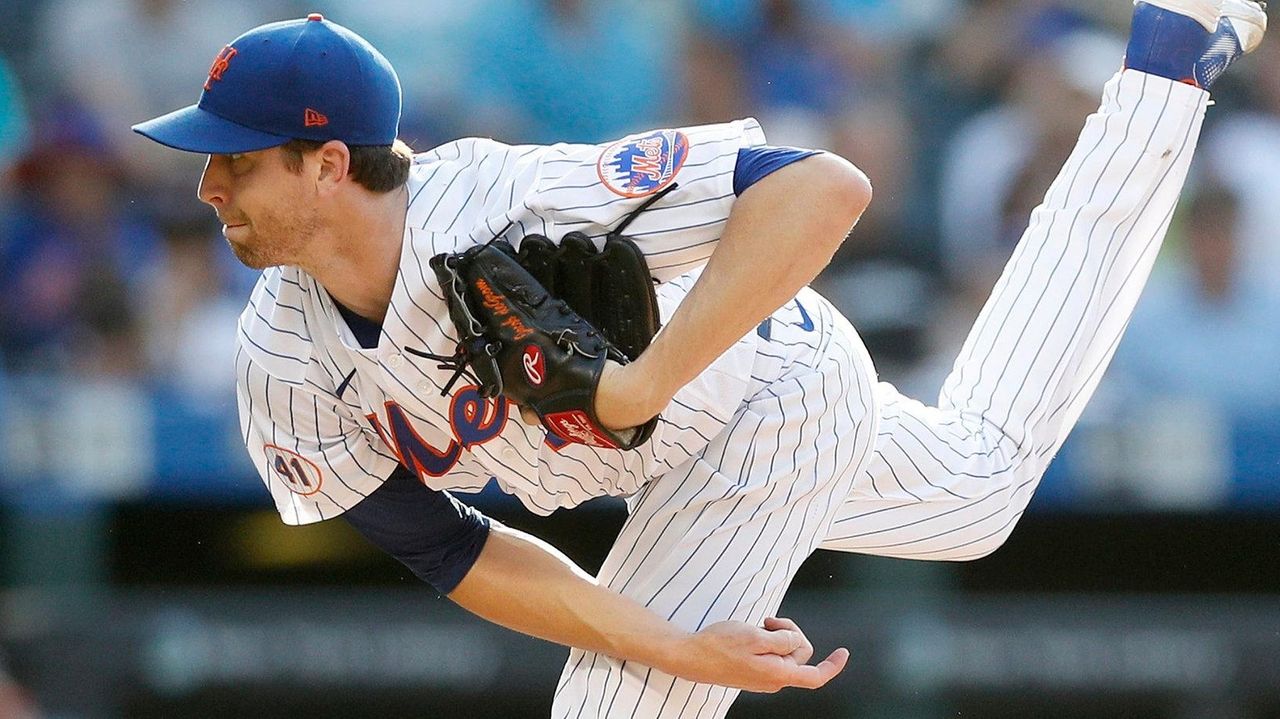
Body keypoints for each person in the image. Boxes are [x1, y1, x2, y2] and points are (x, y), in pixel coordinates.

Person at [132, 1, 1267, 716]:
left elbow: (824, 187)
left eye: (236, 159)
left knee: (619, 713)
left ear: (328, 163)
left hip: (762, 394)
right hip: (656, 463)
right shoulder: (280, 356)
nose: (207, 184)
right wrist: (673, 636)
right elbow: (447, 548)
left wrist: (638, 380)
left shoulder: (501, 204)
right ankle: (1167, 66)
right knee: (974, 488)